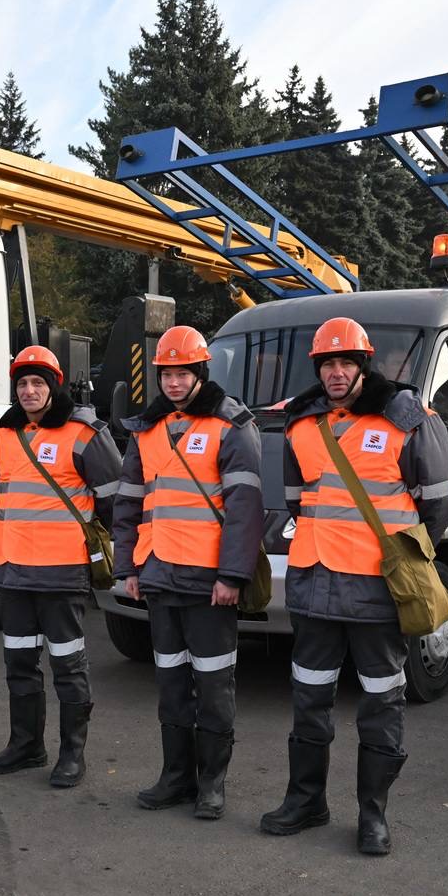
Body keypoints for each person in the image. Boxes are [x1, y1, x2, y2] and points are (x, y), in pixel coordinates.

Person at [259, 317, 448, 855]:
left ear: (363, 366)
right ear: (318, 370)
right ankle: (306, 802)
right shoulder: (300, 423)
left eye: (346, 362)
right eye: (328, 364)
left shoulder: (407, 418)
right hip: (315, 584)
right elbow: (298, 500)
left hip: (378, 587)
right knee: (309, 696)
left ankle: (373, 815)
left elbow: (438, 503)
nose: (337, 372)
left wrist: (402, 553)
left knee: (381, 701)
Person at [114, 326, 263, 819]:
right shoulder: (147, 430)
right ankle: (176, 777)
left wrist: (232, 576)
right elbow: (129, 504)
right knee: (171, 682)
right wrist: (128, 567)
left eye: (183, 373)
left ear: (200, 372)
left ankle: (212, 783)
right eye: (167, 374)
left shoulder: (231, 425)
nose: (174, 383)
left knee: (214, 684)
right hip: (158, 574)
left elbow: (244, 508)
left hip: (208, 580)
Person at [0, 346, 121, 788]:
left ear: (54, 386)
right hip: (13, 570)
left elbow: (114, 502)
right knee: (19, 662)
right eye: (22, 383)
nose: (28, 391)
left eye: (37, 383)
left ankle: (72, 755)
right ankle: (26, 746)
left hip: (62, 571)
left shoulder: (84, 433)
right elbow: (0, 496)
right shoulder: (4, 435)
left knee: (67, 665)